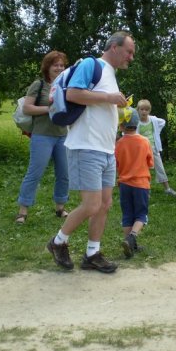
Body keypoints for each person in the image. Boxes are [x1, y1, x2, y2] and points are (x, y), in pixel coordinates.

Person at [46, 31, 134, 274]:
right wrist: (109, 98)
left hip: (105, 149)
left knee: (104, 204)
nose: (131, 57)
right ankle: (57, 242)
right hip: (85, 146)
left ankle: (92, 254)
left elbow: (97, 107)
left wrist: (117, 111)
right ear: (114, 47)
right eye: (129, 51)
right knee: (92, 204)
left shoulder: (110, 74)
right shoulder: (91, 64)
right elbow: (73, 94)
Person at [16, 51, 70, 224]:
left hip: (63, 135)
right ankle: (23, 211)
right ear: (48, 67)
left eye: (62, 65)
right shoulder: (39, 85)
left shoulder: (66, 85)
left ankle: (60, 208)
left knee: (64, 173)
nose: (60, 68)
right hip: (42, 135)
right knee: (35, 172)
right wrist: (49, 109)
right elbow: (27, 108)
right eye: (56, 65)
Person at [115, 108, 154, 258]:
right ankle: (132, 237)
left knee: (127, 215)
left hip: (124, 184)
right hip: (141, 184)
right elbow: (150, 163)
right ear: (137, 123)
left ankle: (131, 245)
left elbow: (117, 163)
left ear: (121, 126)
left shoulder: (119, 143)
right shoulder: (144, 142)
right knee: (141, 214)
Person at [136, 99, 176, 197]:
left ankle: (167, 188)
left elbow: (162, 122)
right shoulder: (137, 123)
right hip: (143, 151)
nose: (144, 112)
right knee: (145, 170)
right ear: (138, 110)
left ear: (149, 111)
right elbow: (132, 133)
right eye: (142, 109)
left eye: (146, 110)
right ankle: (146, 190)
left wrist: (157, 132)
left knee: (160, 168)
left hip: (154, 149)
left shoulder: (153, 119)